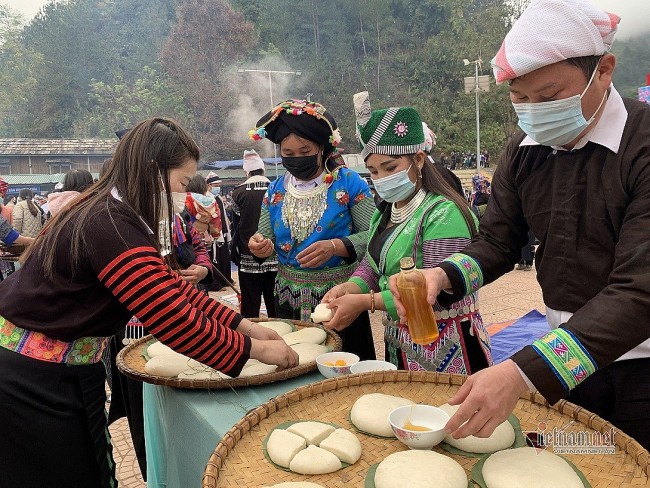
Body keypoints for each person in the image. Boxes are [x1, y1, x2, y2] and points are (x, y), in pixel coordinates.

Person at [390, 0, 650, 450]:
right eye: (519, 100)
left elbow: (639, 291)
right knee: (576, 462)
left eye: (548, 98)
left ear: (604, 70)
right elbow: (497, 241)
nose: (533, 112)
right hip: (563, 354)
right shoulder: (523, 149)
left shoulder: (642, 145)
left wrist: (523, 371)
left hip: (640, 362)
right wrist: (443, 275)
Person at [0, 117, 298, 487]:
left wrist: (245, 325)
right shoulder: (107, 221)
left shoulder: (112, 213)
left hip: (60, 372)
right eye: (181, 183)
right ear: (153, 171)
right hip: (34, 381)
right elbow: (171, 317)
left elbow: (168, 285)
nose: (181, 195)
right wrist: (259, 351)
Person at [321, 94, 490, 373]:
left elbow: (433, 291)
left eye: (390, 168)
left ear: (419, 159)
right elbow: (373, 266)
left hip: (448, 344)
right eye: (373, 171)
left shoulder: (444, 213)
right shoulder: (385, 212)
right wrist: (351, 287)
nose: (382, 178)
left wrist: (367, 302)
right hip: (400, 343)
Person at [248, 99, 376, 360]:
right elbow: (263, 239)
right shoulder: (275, 191)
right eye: (288, 154)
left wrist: (336, 246)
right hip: (287, 301)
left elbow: (375, 236)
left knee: (344, 368)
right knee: (293, 366)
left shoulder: (349, 183)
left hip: (339, 301)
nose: (296, 159)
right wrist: (259, 246)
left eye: (304, 150)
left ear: (321, 147)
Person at [231, 149, 278, 318]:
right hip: (275, 253)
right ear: (263, 169)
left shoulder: (237, 193)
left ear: (247, 171)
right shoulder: (276, 188)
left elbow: (236, 226)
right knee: (276, 304)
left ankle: (252, 340)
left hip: (247, 254)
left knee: (250, 306)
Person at [187, 173, 235, 291]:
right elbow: (216, 227)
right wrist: (214, 234)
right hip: (200, 240)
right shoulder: (210, 201)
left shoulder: (181, 200)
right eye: (215, 185)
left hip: (184, 242)